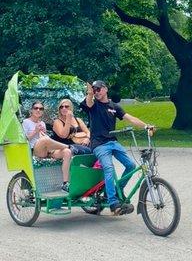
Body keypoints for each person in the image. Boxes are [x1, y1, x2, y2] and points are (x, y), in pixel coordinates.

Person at [80, 80, 155, 215]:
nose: (96, 92)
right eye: (94, 89)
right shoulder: (93, 105)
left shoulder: (114, 106)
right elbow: (89, 102)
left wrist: (146, 126)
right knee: (109, 168)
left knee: (131, 165)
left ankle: (115, 190)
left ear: (105, 89)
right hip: (99, 144)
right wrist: (89, 93)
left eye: (98, 89)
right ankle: (113, 202)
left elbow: (130, 118)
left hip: (113, 142)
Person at [22, 101, 72, 191]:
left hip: (47, 150)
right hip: (36, 150)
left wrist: (43, 132)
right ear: (31, 111)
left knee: (67, 152)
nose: (38, 110)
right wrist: (35, 131)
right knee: (45, 140)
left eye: (41, 109)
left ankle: (65, 183)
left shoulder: (42, 123)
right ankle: (67, 146)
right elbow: (24, 140)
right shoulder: (26, 122)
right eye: (36, 108)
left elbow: (44, 138)